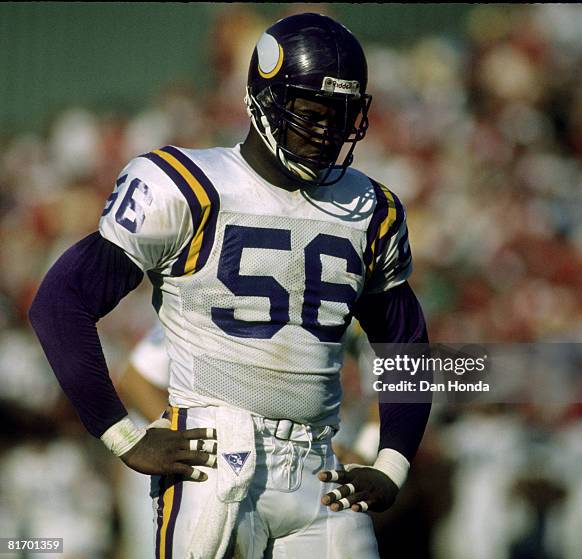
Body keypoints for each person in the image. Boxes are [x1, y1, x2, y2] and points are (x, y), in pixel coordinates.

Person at [29, 12, 430, 559]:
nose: (326, 133)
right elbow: (59, 302)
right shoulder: (188, 185)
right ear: (264, 98)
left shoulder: (370, 208)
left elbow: (404, 340)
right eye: (310, 113)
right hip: (214, 456)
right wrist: (121, 435)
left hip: (321, 462)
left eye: (340, 116)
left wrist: (392, 462)